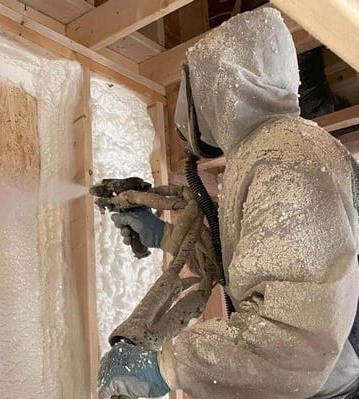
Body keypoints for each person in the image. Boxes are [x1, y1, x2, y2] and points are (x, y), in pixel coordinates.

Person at [98, 7, 359, 399]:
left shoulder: (287, 160)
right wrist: (164, 235)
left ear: (218, 90)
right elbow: (256, 270)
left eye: (193, 95)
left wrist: (165, 368)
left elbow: (295, 342)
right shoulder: (267, 151)